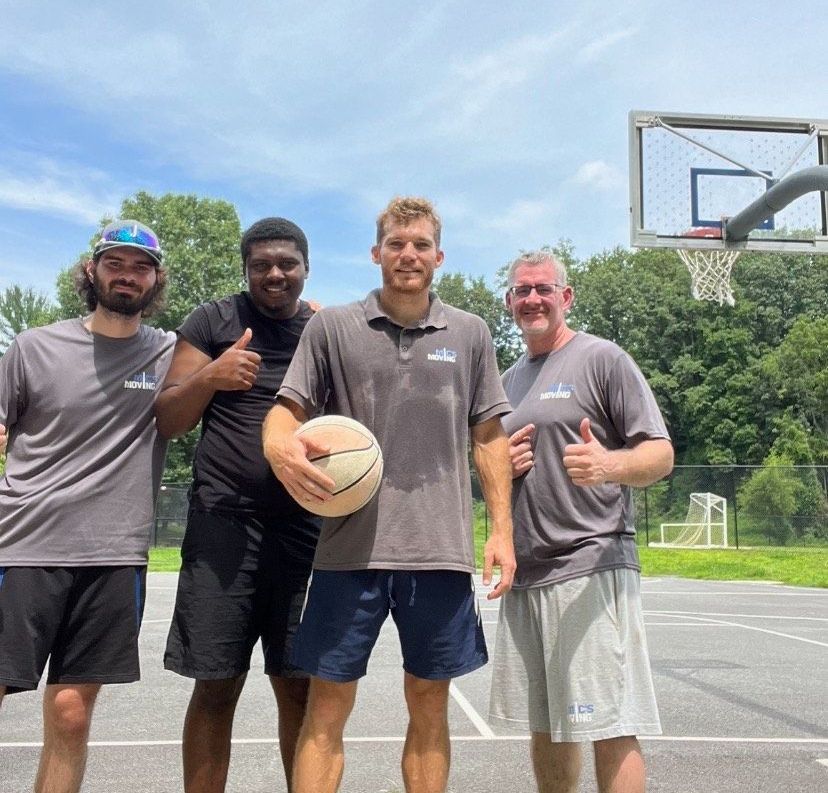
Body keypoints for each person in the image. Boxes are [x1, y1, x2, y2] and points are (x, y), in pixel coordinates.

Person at [262, 196, 516, 793]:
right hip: (348, 552)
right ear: (376, 253)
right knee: (326, 709)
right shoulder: (333, 328)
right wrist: (279, 449)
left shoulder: (471, 333)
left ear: (439, 256)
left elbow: (489, 436)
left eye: (421, 245)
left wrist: (501, 531)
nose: (409, 255)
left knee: (429, 704)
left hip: (440, 551)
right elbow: (284, 414)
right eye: (397, 244)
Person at [488, 250, 674, 793]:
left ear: (565, 297)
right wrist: (501, 467)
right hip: (530, 571)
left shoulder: (603, 359)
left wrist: (609, 464)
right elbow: (494, 467)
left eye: (543, 288)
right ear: (510, 304)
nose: (532, 299)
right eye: (521, 291)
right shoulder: (508, 381)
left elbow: (659, 454)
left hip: (591, 562)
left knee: (611, 722)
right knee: (548, 728)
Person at [0, 220, 175, 793]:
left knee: (72, 712)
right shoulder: (33, 346)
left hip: (113, 555)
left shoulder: (170, 354)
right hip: (24, 545)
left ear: (155, 280)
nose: (127, 275)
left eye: (140, 267)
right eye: (115, 263)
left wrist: (317, 312)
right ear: (91, 271)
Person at [158, 217, 321, 793]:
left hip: (306, 530)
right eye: (260, 265)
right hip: (224, 526)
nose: (274, 274)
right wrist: (212, 375)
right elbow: (170, 419)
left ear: (305, 266)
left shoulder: (325, 330)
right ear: (246, 269)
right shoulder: (213, 321)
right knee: (216, 683)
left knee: (298, 683)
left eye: (286, 263)